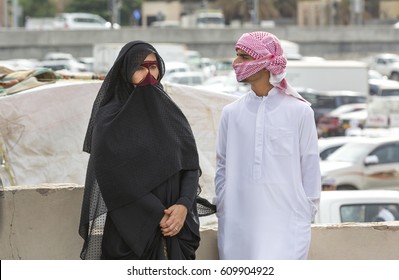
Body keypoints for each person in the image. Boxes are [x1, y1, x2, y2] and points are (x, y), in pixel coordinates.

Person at [78, 41, 201, 260]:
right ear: (125, 72)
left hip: (176, 229)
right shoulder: (109, 119)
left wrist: (183, 206)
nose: (148, 74)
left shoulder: (170, 113)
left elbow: (190, 164)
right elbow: (113, 177)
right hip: (132, 231)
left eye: (153, 66)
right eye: (140, 67)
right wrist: (158, 215)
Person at [214, 31, 321, 260]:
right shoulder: (231, 113)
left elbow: (310, 165)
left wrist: (305, 210)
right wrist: (223, 202)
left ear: (265, 63)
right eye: (237, 56)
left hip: (287, 226)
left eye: (244, 57)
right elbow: (222, 165)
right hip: (238, 224)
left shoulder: (299, 111)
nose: (236, 63)